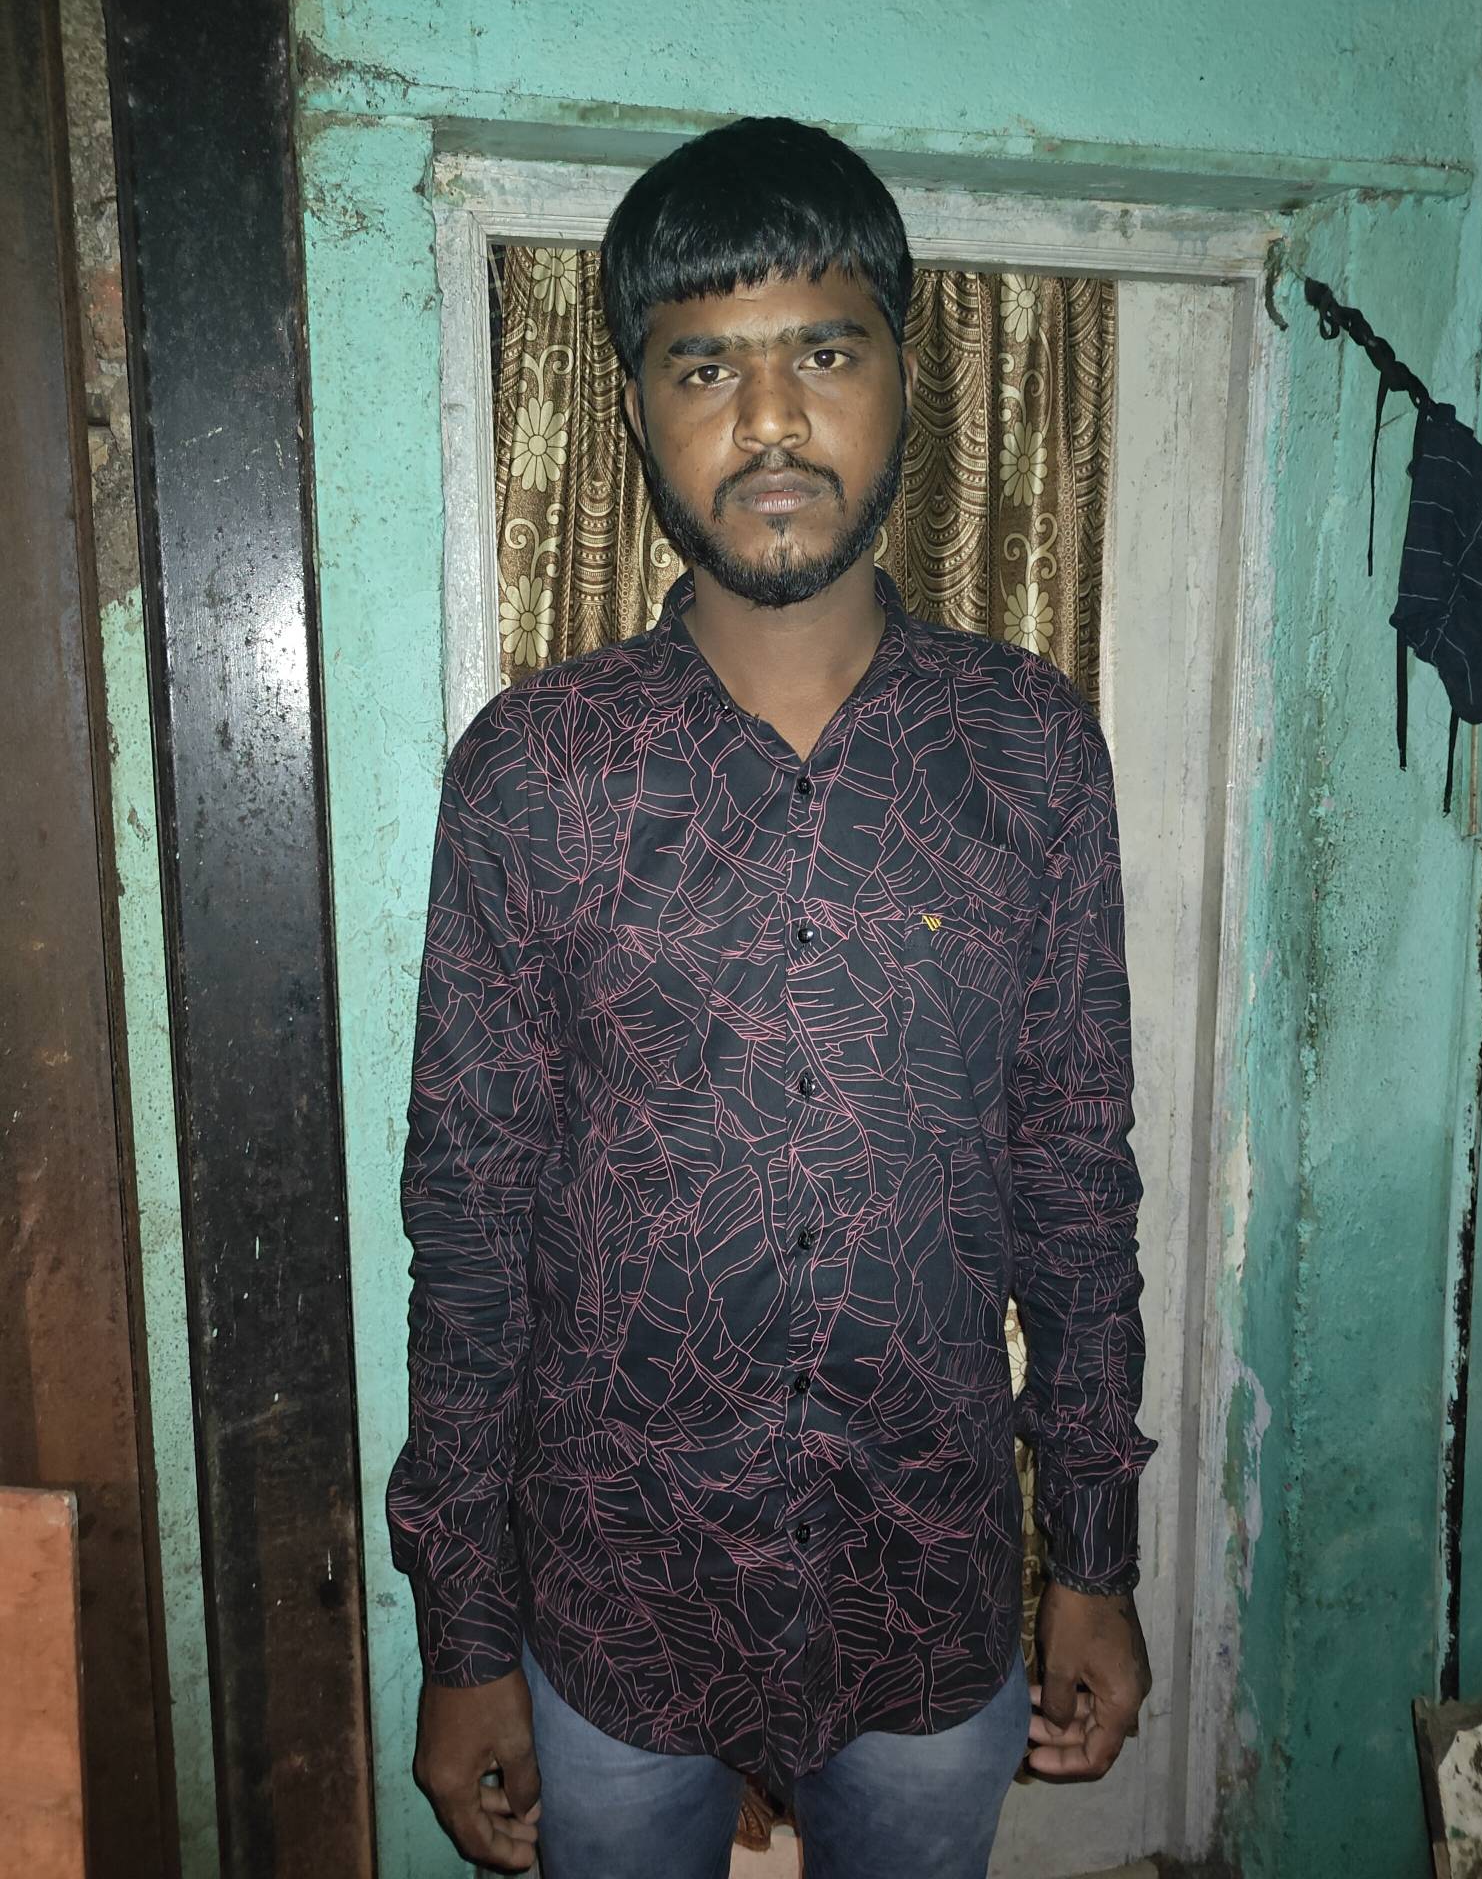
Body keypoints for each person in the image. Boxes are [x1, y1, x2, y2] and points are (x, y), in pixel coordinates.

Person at [387, 116, 1154, 1879]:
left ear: (904, 379)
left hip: (928, 1587)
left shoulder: (1027, 753)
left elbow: (1072, 1173)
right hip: (615, 1600)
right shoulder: (538, 774)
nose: (772, 420)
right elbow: (473, 1223)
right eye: (704, 367)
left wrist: (1096, 1559)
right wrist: (464, 1638)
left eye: (823, 352)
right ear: (638, 410)